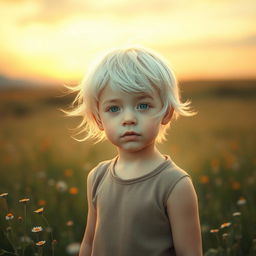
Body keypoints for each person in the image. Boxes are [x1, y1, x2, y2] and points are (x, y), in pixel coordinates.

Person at [64, 45, 203, 256]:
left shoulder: (175, 184)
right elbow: (89, 244)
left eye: (143, 106)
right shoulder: (97, 177)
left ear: (166, 112)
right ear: (99, 119)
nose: (128, 118)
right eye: (114, 108)